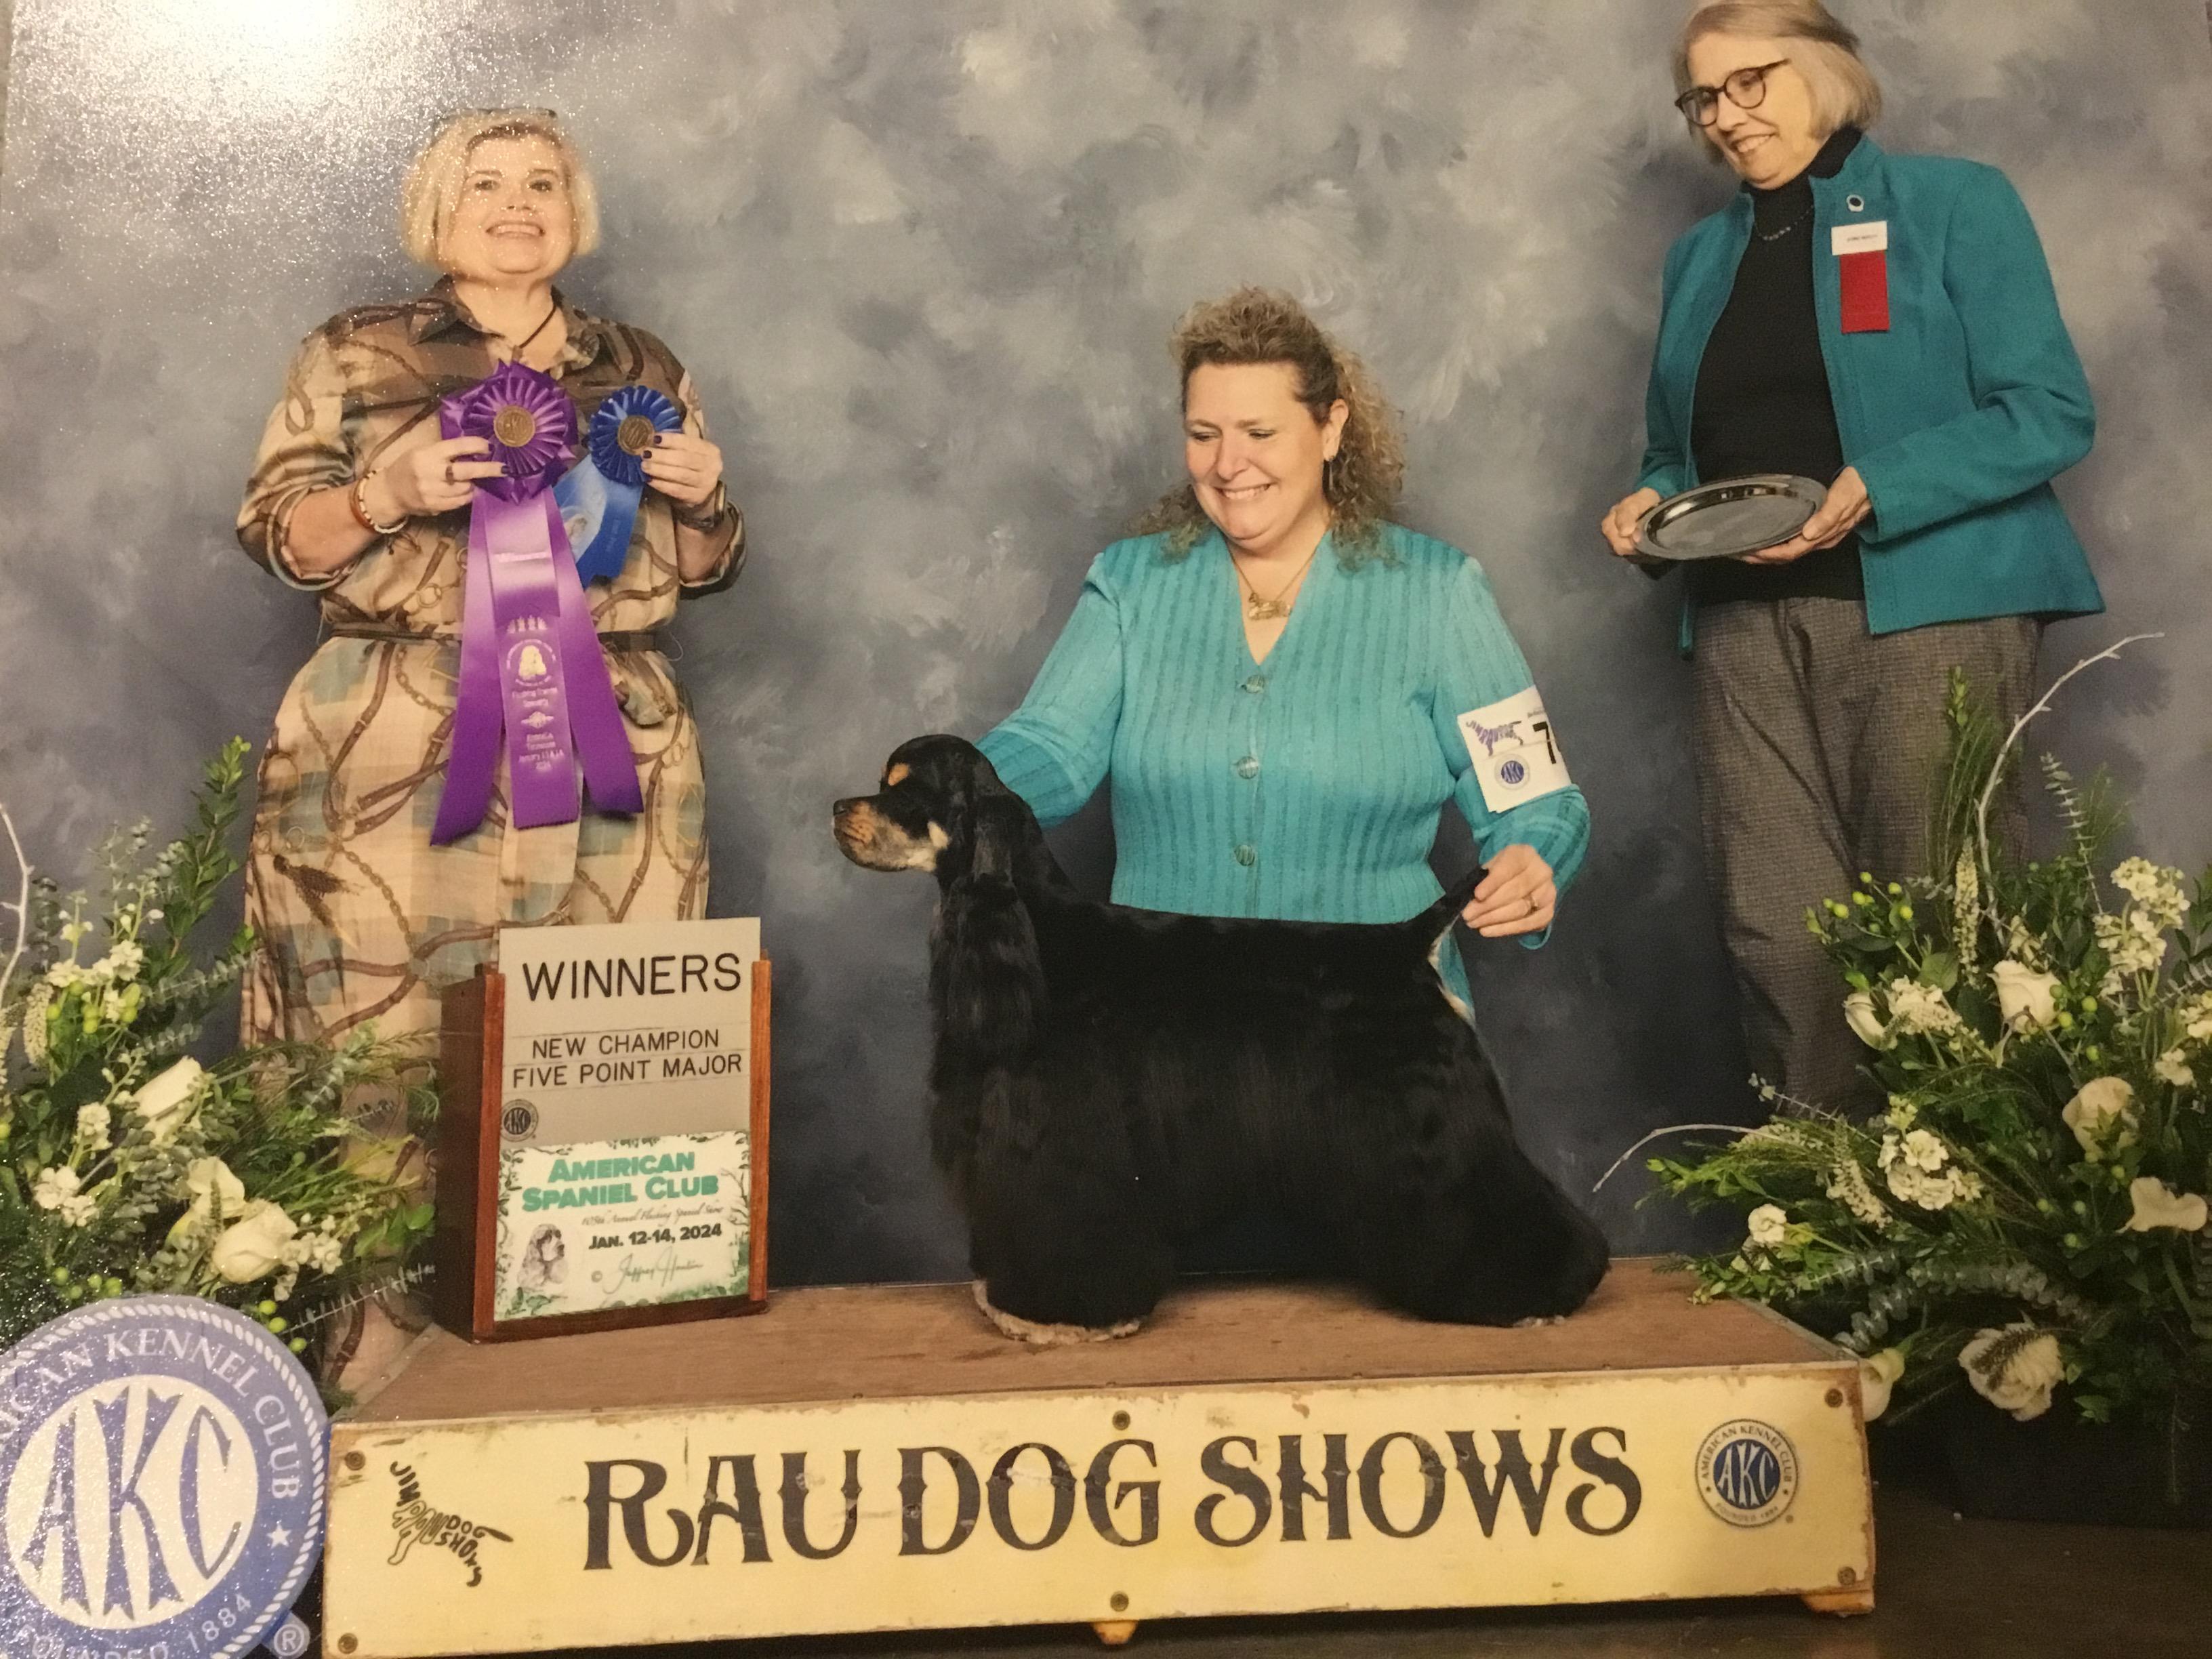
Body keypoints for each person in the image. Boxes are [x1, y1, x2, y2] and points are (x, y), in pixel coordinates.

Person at [1599, 1, 2101, 1111]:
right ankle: (1822, 1198)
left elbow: (2048, 412)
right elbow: (1680, 452)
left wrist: (1881, 483)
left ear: (1826, 71)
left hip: (1928, 614)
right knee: (1777, 935)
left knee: (1940, 932)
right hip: (1740, 633)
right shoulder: (1697, 259)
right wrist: (1651, 504)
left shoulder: (1954, 204)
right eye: (1702, 97)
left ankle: (1969, 1203)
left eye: (1751, 82)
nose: (1725, 116)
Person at [238, 109, 744, 1049]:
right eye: (487, 183)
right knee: (377, 1053)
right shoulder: (354, 352)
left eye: (542, 184)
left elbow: (704, 567)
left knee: (604, 1051)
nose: (519, 204)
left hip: (615, 742)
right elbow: (283, 541)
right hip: (394, 738)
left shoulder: (644, 366)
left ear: (574, 212)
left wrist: (705, 499)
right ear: (438, 208)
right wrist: (384, 495)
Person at [980, 287, 1589, 1024]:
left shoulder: (1441, 591)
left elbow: (1534, 796)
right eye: (1203, 434)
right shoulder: (1127, 584)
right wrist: (952, 783)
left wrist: (1534, 853)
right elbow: (1052, 743)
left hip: (1380, 1029)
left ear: (1331, 429)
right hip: (1159, 1027)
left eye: (1259, 432)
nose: (1228, 464)